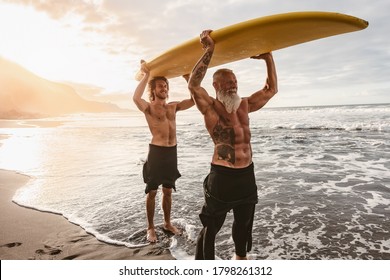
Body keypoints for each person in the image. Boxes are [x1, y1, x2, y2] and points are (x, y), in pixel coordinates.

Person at [188, 30, 278, 259]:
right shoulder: (210, 108)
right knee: (211, 227)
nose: (233, 86)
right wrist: (209, 50)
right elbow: (193, 84)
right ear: (216, 85)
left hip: (246, 176)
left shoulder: (245, 105)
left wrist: (268, 58)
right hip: (222, 177)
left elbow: (271, 89)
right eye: (228, 83)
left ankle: (240, 260)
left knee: (244, 223)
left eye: (235, 82)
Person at [133, 61, 194, 243]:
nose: (164, 88)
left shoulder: (173, 106)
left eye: (166, 86)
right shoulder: (149, 107)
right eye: (160, 86)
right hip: (157, 153)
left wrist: (188, 79)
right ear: (153, 90)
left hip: (171, 152)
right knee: (152, 191)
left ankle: (167, 223)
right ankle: (150, 227)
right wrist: (146, 75)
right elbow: (136, 98)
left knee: (168, 191)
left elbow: (194, 100)